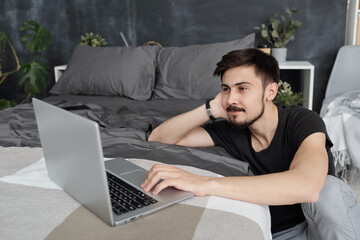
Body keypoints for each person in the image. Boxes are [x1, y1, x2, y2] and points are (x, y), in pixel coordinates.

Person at [141, 48, 360, 239]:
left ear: (270, 92)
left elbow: (308, 187)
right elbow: (159, 138)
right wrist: (211, 108)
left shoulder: (302, 121)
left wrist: (203, 183)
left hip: (318, 227)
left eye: (242, 88)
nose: (231, 99)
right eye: (226, 89)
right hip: (274, 233)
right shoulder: (231, 129)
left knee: (329, 191)